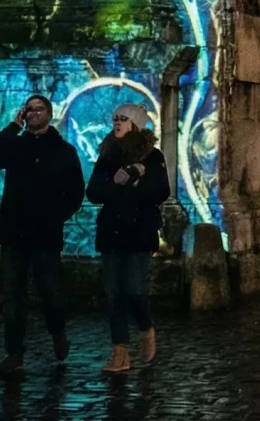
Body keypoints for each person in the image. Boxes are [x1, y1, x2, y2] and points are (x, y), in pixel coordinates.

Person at [0, 94, 86, 379]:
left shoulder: (64, 151)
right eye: (29, 110)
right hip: (15, 234)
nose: (33, 114)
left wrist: (56, 216)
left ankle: (58, 332)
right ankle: (14, 353)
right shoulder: (16, 145)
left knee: (51, 293)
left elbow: (76, 191)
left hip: (46, 235)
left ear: (49, 114)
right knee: (13, 297)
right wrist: (10, 128)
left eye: (39, 109)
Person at [85, 103, 168, 374]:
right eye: (115, 119)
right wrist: (117, 184)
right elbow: (94, 191)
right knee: (113, 293)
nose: (117, 123)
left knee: (133, 288)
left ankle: (146, 329)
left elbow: (161, 191)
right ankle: (119, 352)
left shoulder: (152, 156)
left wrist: (137, 181)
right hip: (111, 231)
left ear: (135, 125)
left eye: (123, 119)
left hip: (140, 231)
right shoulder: (107, 155)